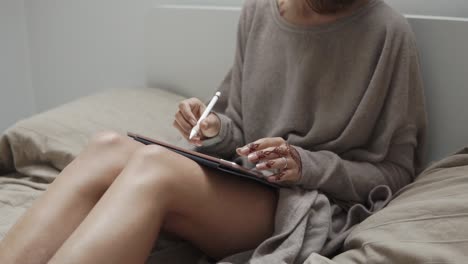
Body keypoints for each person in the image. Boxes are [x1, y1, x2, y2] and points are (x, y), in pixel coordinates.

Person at [0, 0, 427, 263]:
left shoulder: (388, 34)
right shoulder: (259, 11)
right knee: (107, 146)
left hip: (306, 203)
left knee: (155, 167)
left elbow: (395, 172)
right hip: (244, 182)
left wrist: (304, 165)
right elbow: (239, 127)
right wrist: (213, 128)